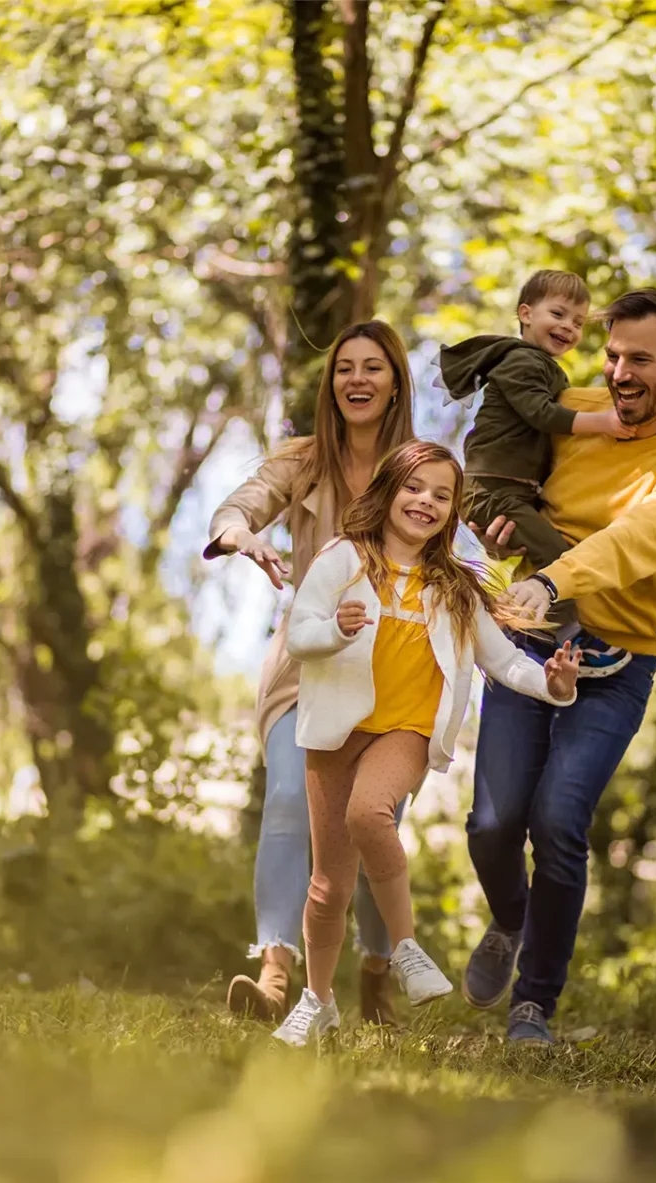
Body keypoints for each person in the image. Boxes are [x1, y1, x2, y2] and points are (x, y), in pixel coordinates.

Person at [460, 288, 656, 1046]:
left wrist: (551, 579)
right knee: (491, 823)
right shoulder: (573, 408)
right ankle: (511, 922)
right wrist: (494, 518)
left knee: (558, 820)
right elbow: (497, 462)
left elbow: (630, 543)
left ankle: (533, 1005)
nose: (619, 374)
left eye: (639, 359)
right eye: (612, 356)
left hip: (617, 661)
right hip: (529, 639)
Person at [271, 440, 579, 1047]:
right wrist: (335, 630)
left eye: (443, 496)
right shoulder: (343, 560)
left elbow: (503, 659)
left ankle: (406, 947)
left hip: (405, 732)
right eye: (415, 488)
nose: (426, 502)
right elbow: (300, 634)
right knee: (328, 885)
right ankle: (318, 1000)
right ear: (389, 490)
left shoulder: (457, 588)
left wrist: (550, 684)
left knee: (369, 813)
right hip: (336, 729)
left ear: (452, 512)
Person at [205, 320, 417, 1027]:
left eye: (372, 368)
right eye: (344, 369)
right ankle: (274, 978)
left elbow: (465, 545)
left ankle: (376, 971)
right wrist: (241, 533)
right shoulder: (301, 461)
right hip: (308, 663)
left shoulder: (419, 470)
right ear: (332, 386)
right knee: (291, 802)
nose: (356, 380)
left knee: (371, 821)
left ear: (394, 385)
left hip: (394, 671)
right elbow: (239, 504)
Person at [435, 269, 633, 675]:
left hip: (508, 490)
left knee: (551, 551)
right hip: (493, 491)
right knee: (557, 557)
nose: (568, 327)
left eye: (578, 322)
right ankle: (572, 639)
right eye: (558, 314)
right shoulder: (522, 360)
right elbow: (540, 414)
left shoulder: (539, 364)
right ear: (525, 313)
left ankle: (532, 630)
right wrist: (604, 422)